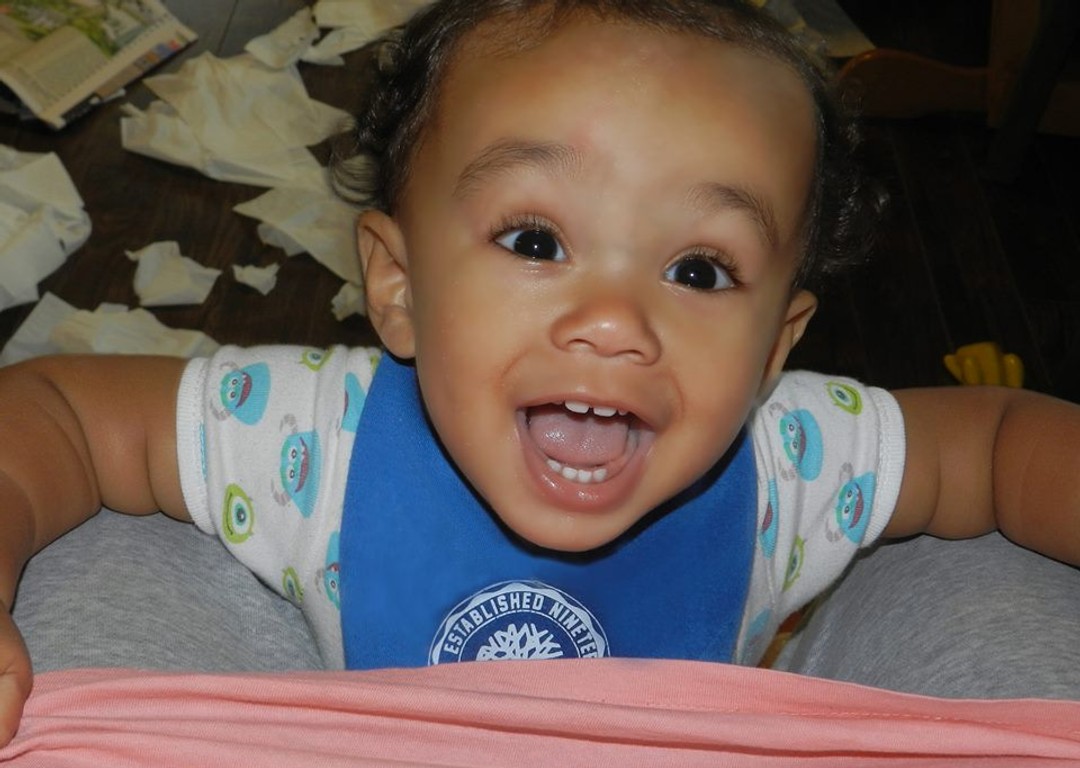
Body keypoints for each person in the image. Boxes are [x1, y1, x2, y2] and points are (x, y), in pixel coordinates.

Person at [3, 0, 1080, 746]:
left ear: (775, 348)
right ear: (399, 287)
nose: (614, 320)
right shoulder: (313, 440)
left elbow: (997, 442)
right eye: (535, 241)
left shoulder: (790, 461)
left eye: (700, 270)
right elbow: (60, 412)